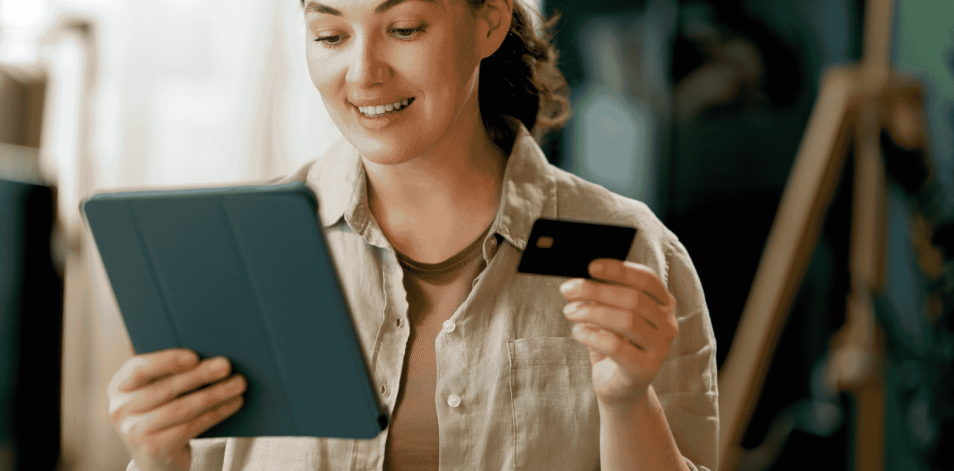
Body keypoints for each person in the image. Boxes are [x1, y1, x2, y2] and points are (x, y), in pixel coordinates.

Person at [106, 0, 719, 470]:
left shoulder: (632, 250)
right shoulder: (239, 254)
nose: (364, 74)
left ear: (491, 22)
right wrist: (159, 455)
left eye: (404, 29)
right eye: (331, 36)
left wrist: (626, 402)